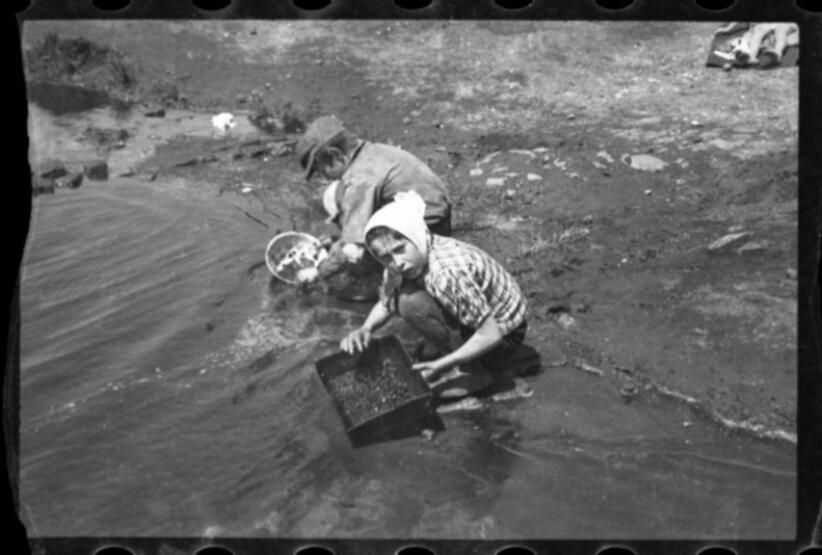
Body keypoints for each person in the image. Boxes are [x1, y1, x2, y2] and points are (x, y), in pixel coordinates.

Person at [339, 192, 528, 400]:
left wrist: (442, 364)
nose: (397, 262)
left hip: (504, 337)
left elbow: (491, 334)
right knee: (402, 298)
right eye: (385, 257)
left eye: (400, 249)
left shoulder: (446, 273)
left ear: (417, 235)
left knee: (410, 303)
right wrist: (366, 328)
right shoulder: (409, 257)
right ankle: (456, 349)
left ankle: (476, 372)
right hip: (485, 320)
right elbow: (386, 302)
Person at [294, 115, 452, 292]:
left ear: (335, 155)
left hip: (429, 228)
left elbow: (351, 249)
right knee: (335, 194)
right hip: (430, 204)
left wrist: (318, 271)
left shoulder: (360, 179)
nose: (322, 176)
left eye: (320, 169)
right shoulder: (370, 152)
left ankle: (395, 279)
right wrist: (340, 239)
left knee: (355, 256)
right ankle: (354, 236)